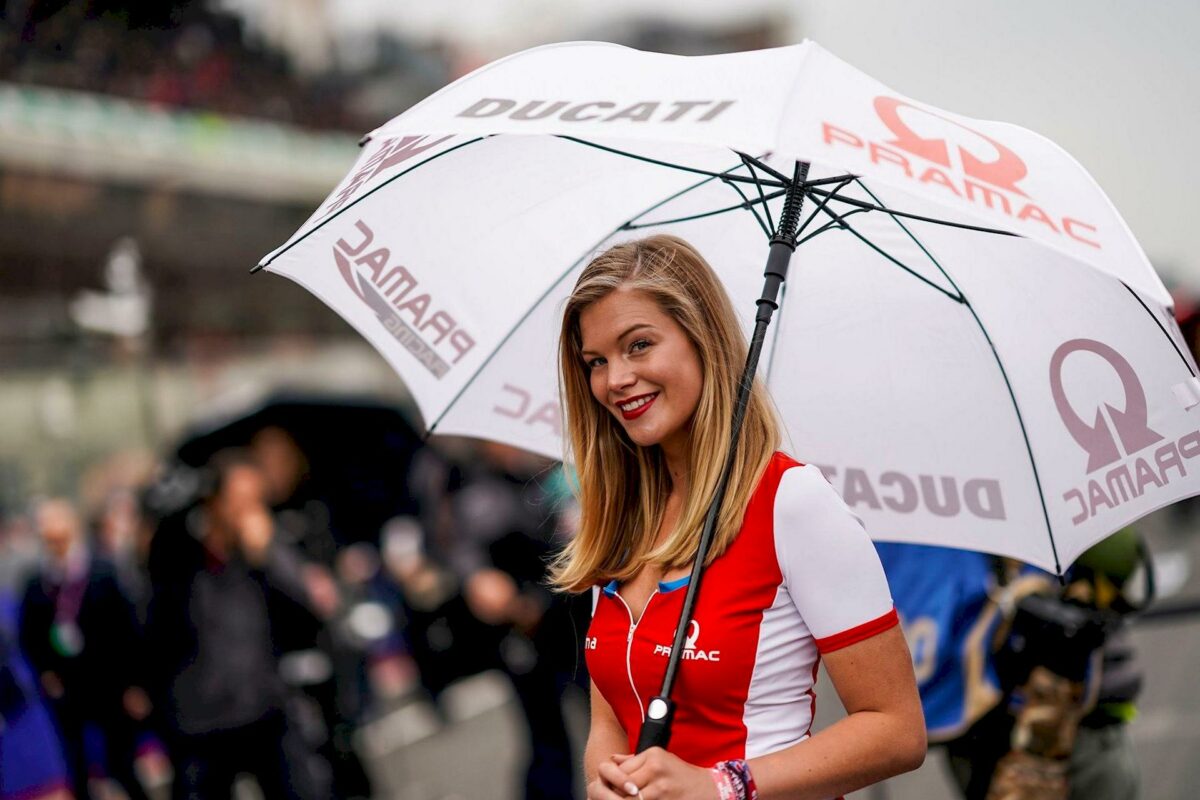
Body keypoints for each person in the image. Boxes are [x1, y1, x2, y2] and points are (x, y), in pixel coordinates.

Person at [550, 235, 926, 800]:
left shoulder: (791, 502)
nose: (615, 380)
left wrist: (721, 785)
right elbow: (610, 723)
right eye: (596, 362)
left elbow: (897, 731)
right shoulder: (623, 518)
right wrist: (604, 783)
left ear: (702, 339)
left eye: (639, 345)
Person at [145, 451, 331, 800]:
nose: (249, 512)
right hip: (202, 721)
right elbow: (160, 547)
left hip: (264, 706)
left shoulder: (262, 555)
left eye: (256, 502)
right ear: (214, 503)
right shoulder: (180, 559)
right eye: (240, 502)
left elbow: (309, 612)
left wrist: (270, 558)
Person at [18, 498, 151, 800]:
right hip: (66, 689)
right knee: (76, 767)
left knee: (122, 763)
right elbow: (29, 635)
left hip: (109, 683)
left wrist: (133, 683)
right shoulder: (37, 582)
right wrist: (46, 672)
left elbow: (128, 627)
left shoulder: (103, 571)